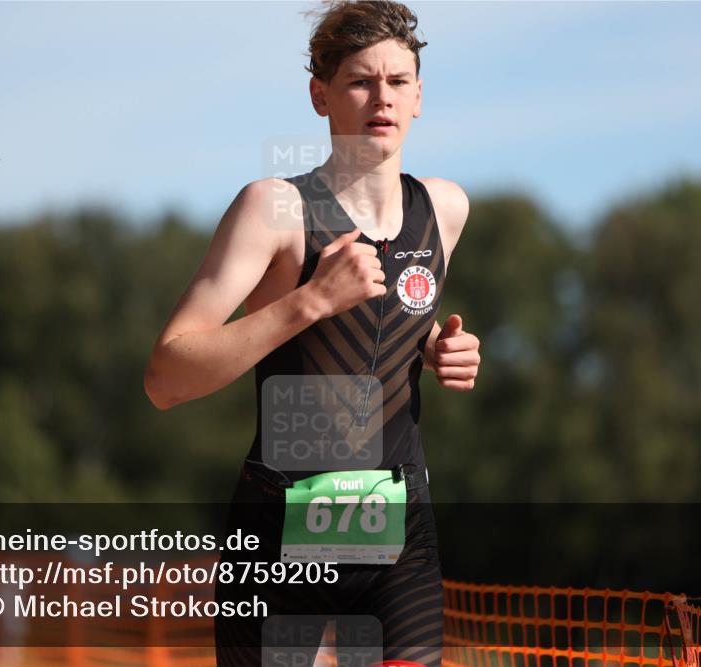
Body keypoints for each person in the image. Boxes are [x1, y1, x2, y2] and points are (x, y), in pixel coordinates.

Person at [145, 1, 480, 665]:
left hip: (398, 524)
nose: (380, 97)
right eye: (360, 81)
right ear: (320, 97)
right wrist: (310, 301)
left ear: (419, 98)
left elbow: (393, 338)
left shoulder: (444, 208)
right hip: (277, 526)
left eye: (398, 81)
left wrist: (447, 352)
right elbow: (166, 377)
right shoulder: (275, 209)